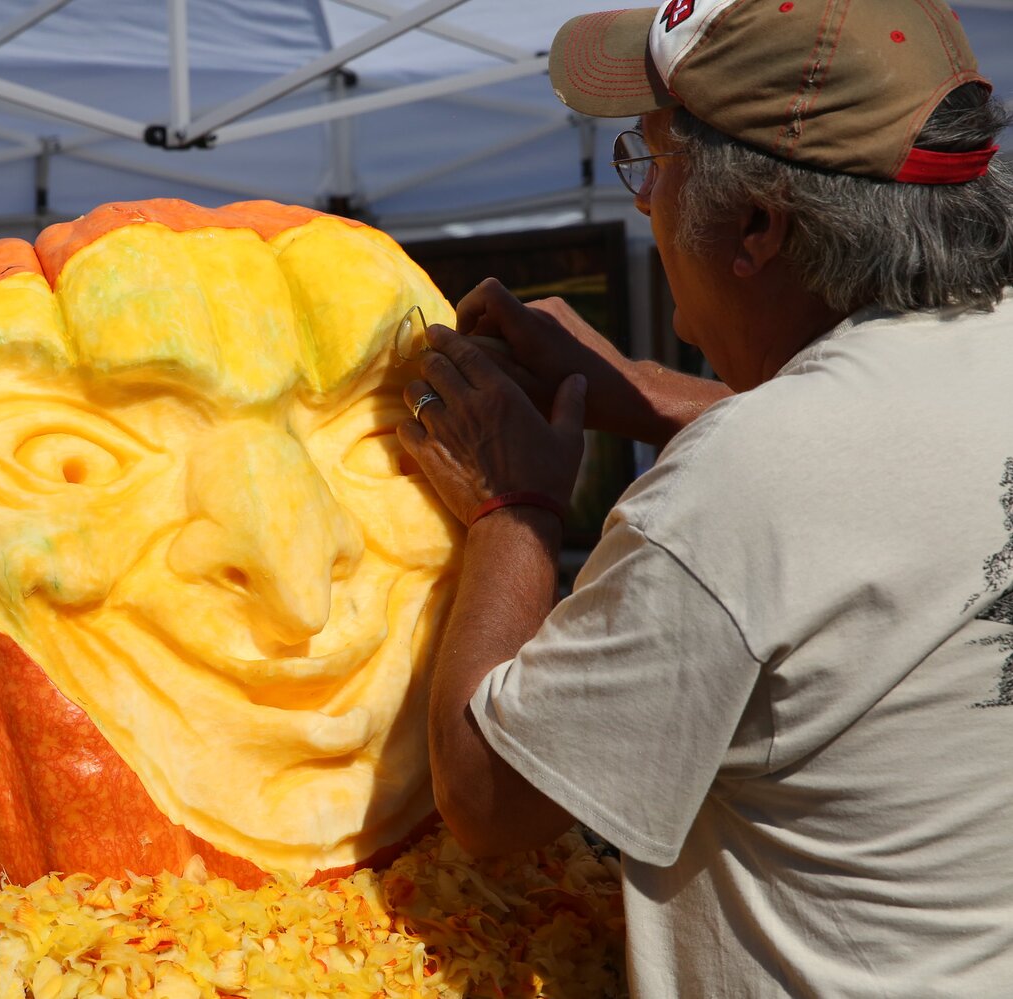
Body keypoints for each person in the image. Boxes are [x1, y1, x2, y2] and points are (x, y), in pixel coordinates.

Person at [397, 0, 1013, 994]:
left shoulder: (740, 487)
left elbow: (486, 797)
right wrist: (643, 397)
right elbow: (869, 458)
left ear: (756, 226)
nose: (644, 203)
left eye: (650, 161)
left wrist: (512, 506)